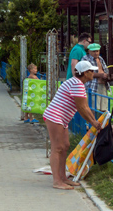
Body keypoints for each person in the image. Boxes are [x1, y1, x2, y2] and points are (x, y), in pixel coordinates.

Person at [44, 60, 103, 190]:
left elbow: (85, 106)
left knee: (65, 146)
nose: (93, 73)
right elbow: (81, 108)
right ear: (85, 73)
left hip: (60, 118)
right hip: (55, 117)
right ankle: (57, 181)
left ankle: (63, 177)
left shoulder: (77, 83)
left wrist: (94, 121)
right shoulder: (77, 84)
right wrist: (93, 122)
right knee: (57, 148)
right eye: (91, 71)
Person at [83, 43, 109, 111]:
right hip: (92, 86)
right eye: (94, 51)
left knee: (104, 108)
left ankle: (101, 122)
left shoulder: (100, 59)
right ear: (89, 51)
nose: (96, 53)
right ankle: (92, 121)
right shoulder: (85, 59)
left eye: (97, 51)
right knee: (93, 108)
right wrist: (100, 75)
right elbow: (86, 72)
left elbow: (105, 70)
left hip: (103, 85)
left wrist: (107, 76)